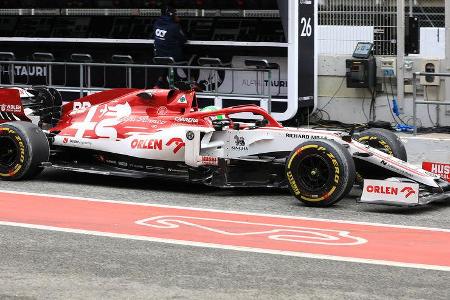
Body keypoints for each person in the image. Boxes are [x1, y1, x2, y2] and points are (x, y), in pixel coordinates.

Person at [152, 5, 187, 88]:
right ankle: (192, 81)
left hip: (159, 56)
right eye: (175, 14)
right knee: (191, 58)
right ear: (171, 15)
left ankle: (159, 83)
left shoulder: (156, 23)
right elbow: (184, 40)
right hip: (174, 57)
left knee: (166, 62)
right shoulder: (174, 27)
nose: (177, 15)